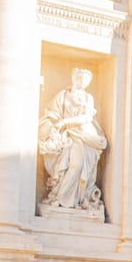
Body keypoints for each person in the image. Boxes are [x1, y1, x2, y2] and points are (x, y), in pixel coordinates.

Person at [39, 68, 108, 211]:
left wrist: (65, 122)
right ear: (74, 78)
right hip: (67, 136)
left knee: (77, 165)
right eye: (80, 78)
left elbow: (87, 117)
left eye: (85, 80)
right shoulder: (63, 95)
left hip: (83, 136)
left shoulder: (88, 98)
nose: (82, 82)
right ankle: (61, 197)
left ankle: (65, 198)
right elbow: (53, 113)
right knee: (66, 167)